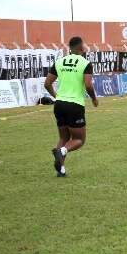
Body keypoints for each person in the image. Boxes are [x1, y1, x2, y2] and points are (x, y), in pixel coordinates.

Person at [44, 36, 98, 177]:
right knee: (79, 140)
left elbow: (47, 83)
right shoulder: (85, 63)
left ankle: (60, 170)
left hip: (59, 104)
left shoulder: (59, 61)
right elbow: (88, 85)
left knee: (63, 138)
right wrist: (94, 98)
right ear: (81, 48)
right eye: (84, 45)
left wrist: (57, 96)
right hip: (74, 105)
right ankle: (61, 151)